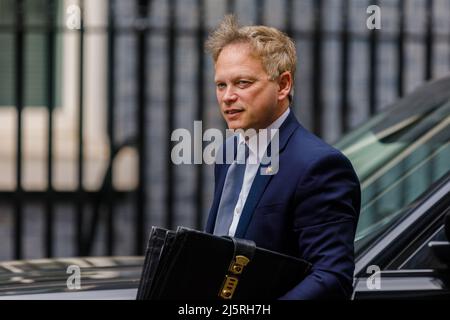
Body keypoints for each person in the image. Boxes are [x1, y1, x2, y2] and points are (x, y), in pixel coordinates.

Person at [204, 15, 361, 300]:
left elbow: (332, 278)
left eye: (242, 82)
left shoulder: (319, 166)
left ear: (283, 85)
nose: (227, 96)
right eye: (221, 85)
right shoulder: (227, 152)